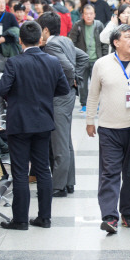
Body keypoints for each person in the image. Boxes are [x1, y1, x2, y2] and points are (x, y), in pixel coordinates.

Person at [0, 21, 70, 230]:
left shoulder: (14, 62)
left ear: (20, 41)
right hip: (43, 121)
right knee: (44, 170)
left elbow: (2, 89)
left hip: (19, 123)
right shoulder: (53, 62)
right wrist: (43, 96)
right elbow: (63, 89)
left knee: (20, 172)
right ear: (40, 39)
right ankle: (44, 218)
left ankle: (20, 220)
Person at [86, 25, 130, 232]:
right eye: (128, 37)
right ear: (116, 42)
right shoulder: (101, 64)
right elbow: (93, 94)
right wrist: (90, 120)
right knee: (109, 173)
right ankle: (109, 216)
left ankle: (128, 212)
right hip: (109, 128)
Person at [39, 12, 89, 197]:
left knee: (59, 142)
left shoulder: (51, 45)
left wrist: (72, 79)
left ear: (45, 30)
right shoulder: (65, 40)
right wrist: (76, 79)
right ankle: (69, 182)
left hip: (60, 96)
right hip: (68, 95)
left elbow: (68, 66)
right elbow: (83, 57)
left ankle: (58, 186)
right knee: (65, 140)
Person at [69, 4, 107, 113]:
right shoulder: (78, 25)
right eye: (86, 14)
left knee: (97, 84)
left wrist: (104, 57)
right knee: (82, 84)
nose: (89, 16)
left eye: (91, 14)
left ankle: (97, 104)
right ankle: (84, 104)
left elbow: (104, 43)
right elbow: (72, 42)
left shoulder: (99, 25)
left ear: (94, 14)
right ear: (83, 15)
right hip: (82, 60)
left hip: (96, 59)